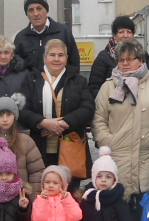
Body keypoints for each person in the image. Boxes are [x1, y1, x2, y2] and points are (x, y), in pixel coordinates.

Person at [92, 39, 149, 199]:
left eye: (130, 59)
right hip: (118, 156)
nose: (125, 63)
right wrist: (108, 141)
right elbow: (98, 119)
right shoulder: (108, 86)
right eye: (121, 60)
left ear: (141, 60)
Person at [20, 39, 95, 190]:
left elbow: (88, 107)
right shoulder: (32, 80)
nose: (56, 59)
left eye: (61, 55)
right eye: (52, 54)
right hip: (39, 147)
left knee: (69, 193)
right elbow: (21, 109)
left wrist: (62, 124)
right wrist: (43, 122)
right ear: (44, 58)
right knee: (42, 192)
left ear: (66, 58)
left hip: (70, 147)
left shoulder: (78, 80)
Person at [0, 97, 45, 193]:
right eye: (0, 115)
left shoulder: (26, 141)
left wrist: (33, 200)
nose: (5, 119)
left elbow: (36, 172)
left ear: (15, 116)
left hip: (20, 201)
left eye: (9, 114)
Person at [14, 0, 80, 73]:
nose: (35, 14)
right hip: (31, 84)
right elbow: (18, 68)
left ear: (46, 11)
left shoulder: (63, 32)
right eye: (31, 10)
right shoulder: (21, 38)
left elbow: (74, 63)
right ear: (27, 14)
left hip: (60, 84)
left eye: (39, 8)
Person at [88, 16, 135, 98]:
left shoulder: (142, 55)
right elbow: (94, 87)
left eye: (129, 32)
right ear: (114, 35)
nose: (125, 35)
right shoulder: (104, 57)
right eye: (121, 32)